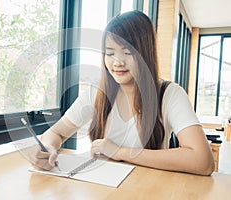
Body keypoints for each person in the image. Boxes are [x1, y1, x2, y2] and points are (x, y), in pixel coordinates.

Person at [28, 10, 215, 175]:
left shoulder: (170, 94)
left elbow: (203, 161)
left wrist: (120, 152)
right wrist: (48, 148)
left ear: (145, 52)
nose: (117, 62)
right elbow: (57, 133)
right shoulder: (97, 92)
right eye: (110, 53)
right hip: (101, 188)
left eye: (127, 52)